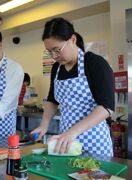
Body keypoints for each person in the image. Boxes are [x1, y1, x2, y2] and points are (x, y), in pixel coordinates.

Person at [31, 17, 114, 157]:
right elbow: (52, 100)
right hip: (65, 141)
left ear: (73, 40)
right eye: (49, 51)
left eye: (57, 50)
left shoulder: (94, 63)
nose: (54, 56)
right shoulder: (57, 68)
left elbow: (106, 107)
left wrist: (73, 132)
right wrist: (44, 124)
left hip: (94, 141)